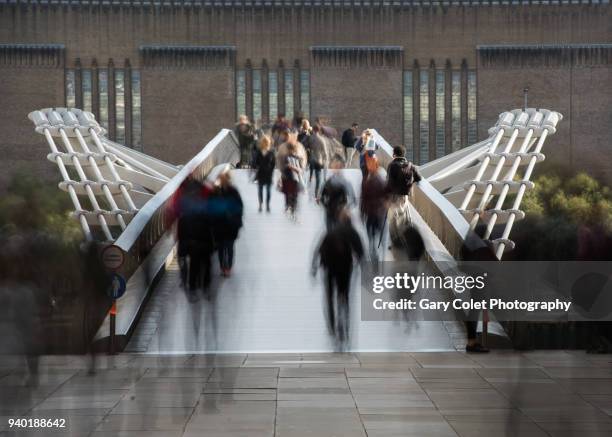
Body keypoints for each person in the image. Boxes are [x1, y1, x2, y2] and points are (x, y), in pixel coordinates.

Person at [312, 210, 364, 350]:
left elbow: (318, 249)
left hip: (329, 269)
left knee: (329, 297)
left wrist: (314, 269)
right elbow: (360, 252)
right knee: (344, 296)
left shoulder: (332, 230)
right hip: (345, 269)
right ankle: (344, 324)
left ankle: (332, 325)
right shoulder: (352, 232)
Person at [386, 145, 422, 248]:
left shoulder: (392, 165)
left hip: (394, 196)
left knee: (393, 219)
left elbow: (389, 183)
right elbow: (419, 178)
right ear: (404, 154)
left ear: (394, 154)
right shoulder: (409, 165)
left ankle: (396, 242)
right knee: (405, 218)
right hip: (405, 197)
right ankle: (406, 240)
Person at [211, 171, 243, 277]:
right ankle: (227, 268)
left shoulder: (217, 192)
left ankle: (224, 267)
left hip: (222, 225)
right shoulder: (233, 191)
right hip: (229, 225)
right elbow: (240, 207)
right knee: (228, 247)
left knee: (222, 248)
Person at [360, 155, 387, 259]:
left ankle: (373, 251)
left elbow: (363, 199)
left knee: (371, 235)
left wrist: (362, 213)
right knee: (381, 234)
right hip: (380, 213)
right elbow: (387, 197)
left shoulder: (366, 182)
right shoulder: (382, 181)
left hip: (370, 213)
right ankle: (380, 254)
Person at [320, 154, 356, 230]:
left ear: (342, 167)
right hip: (330, 214)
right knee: (330, 236)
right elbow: (322, 198)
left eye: (339, 166)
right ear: (332, 167)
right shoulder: (328, 183)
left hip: (341, 215)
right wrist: (327, 207)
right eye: (335, 166)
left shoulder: (345, 183)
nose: (337, 168)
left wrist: (345, 208)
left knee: (339, 237)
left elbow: (353, 200)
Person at [280, 141, 305, 220]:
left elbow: (301, 167)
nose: (292, 151)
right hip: (288, 178)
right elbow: (286, 165)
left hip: (294, 178)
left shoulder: (297, 157)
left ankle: (293, 210)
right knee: (288, 194)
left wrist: (299, 169)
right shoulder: (285, 157)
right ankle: (289, 207)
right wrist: (296, 169)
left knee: (294, 195)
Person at [252, 135, 276, 212]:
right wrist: (256, 167)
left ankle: (267, 205)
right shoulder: (258, 152)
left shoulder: (271, 153)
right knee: (260, 190)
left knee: (268, 190)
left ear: (268, 143)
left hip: (268, 174)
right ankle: (260, 204)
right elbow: (255, 163)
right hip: (261, 173)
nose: (265, 143)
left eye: (267, 142)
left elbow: (273, 164)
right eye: (264, 142)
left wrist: (271, 171)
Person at [308, 125, 329, 201]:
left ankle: (309, 183)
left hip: (311, 159)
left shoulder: (310, 138)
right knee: (318, 178)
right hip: (318, 160)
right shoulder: (321, 139)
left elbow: (307, 147)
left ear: (313, 129)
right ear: (319, 130)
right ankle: (316, 194)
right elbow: (325, 152)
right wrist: (325, 159)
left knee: (310, 174)